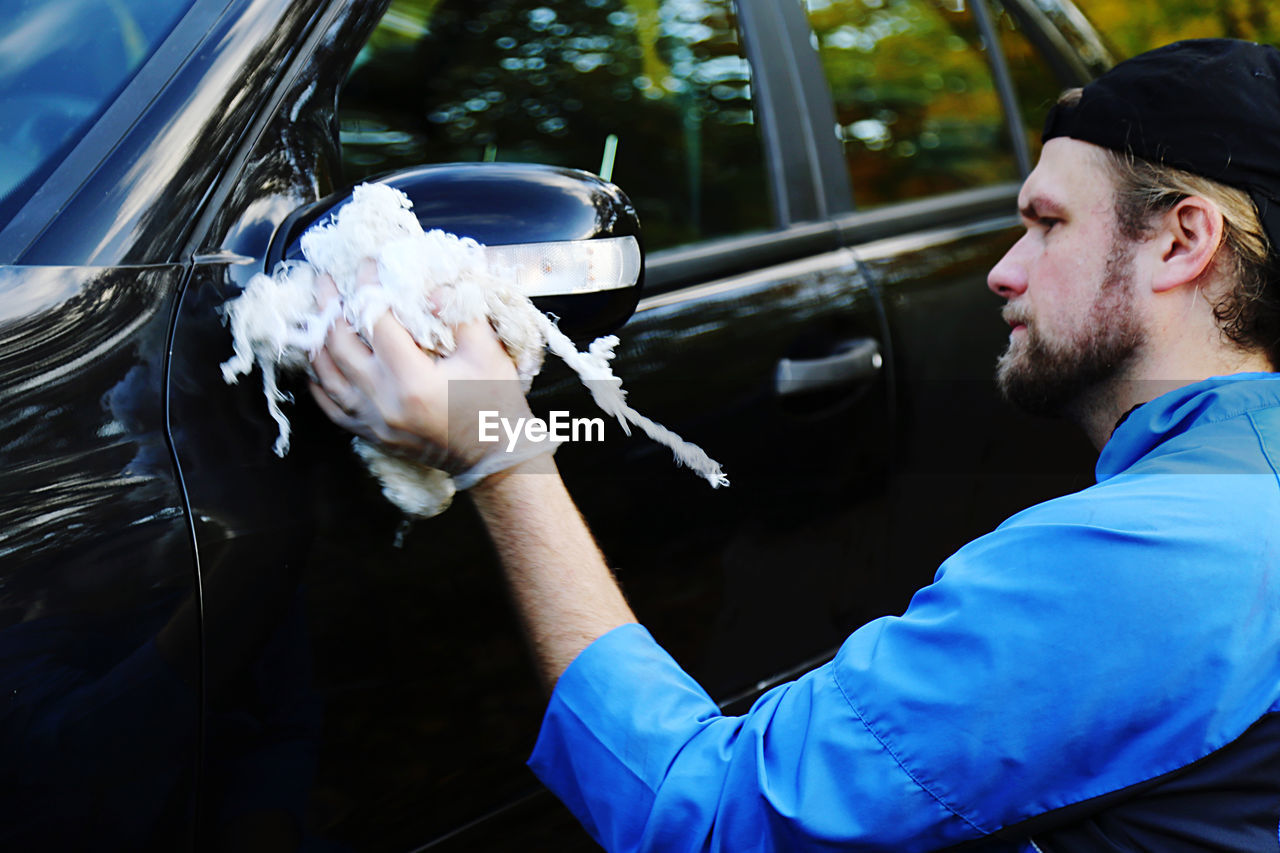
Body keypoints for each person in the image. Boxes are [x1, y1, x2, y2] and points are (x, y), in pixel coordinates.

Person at [309, 39, 1280, 852]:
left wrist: (498, 447)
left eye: (1044, 223)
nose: (1000, 271)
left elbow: (699, 813)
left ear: (1178, 242)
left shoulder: (1150, 561)